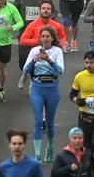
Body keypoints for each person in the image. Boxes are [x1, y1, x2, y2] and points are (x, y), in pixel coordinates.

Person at [23, 26, 65, 162]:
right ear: (40, 38)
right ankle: (36, 154)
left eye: (48, 36)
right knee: (37, 121)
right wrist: (34, 61)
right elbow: (25, 69)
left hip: (52, 87)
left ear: (52, 38)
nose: (45, 39)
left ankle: (50, 148)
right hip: (37, 87)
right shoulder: (34, 50)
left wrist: (49, 60)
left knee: (50, 122)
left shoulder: (57, 51)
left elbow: (60, 71)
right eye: (43, 36)